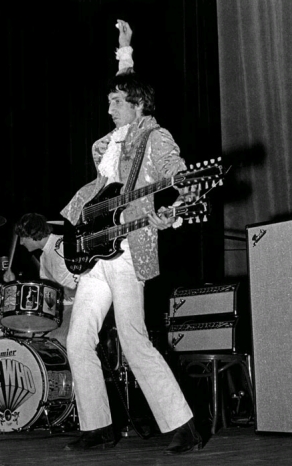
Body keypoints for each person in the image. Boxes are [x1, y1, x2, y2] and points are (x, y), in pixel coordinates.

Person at [61, 20, 202, 455]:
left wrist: (179, 199)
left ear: (137, 104)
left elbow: (175, 171)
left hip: (125, 249)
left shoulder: (154, 136)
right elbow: (126, 83)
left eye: (117, 101)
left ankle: (184, 426)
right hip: (96, 251)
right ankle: (98, 427)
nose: (109, 108)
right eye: (109, 101)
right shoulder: (110, 144)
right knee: (77, 339)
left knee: (133, 337)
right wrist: (124, 51)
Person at [3, 213, 78, 347]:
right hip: (60, 309)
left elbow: (89, 275)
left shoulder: (63, 244)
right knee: (28, 337)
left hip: (78, 305)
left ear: (31, 234)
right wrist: (13, 284)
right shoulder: (43, 258)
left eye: (22, 237)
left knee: (57, 340)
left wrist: (73, 292)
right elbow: (48, 296)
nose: (20, 242)